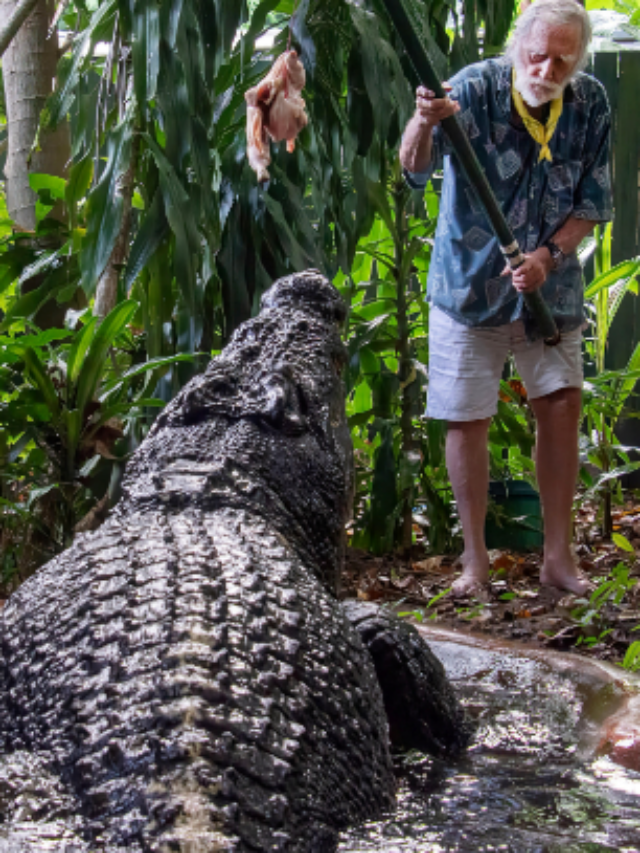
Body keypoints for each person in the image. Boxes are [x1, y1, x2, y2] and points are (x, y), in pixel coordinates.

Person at [399, 0, 613, 596]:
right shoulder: (471, 89)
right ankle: (473, 563)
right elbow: (412, 169)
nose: (545, 68)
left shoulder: (590, 101)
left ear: (578, 59)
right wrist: (423, 119)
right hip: (469, 286)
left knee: (562, 403)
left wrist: (549, 257)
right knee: (467, 416)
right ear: (517, 45)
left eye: (560, 59)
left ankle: (558, 559)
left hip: (551, 287)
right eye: (536, 54)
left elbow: (592, 204)